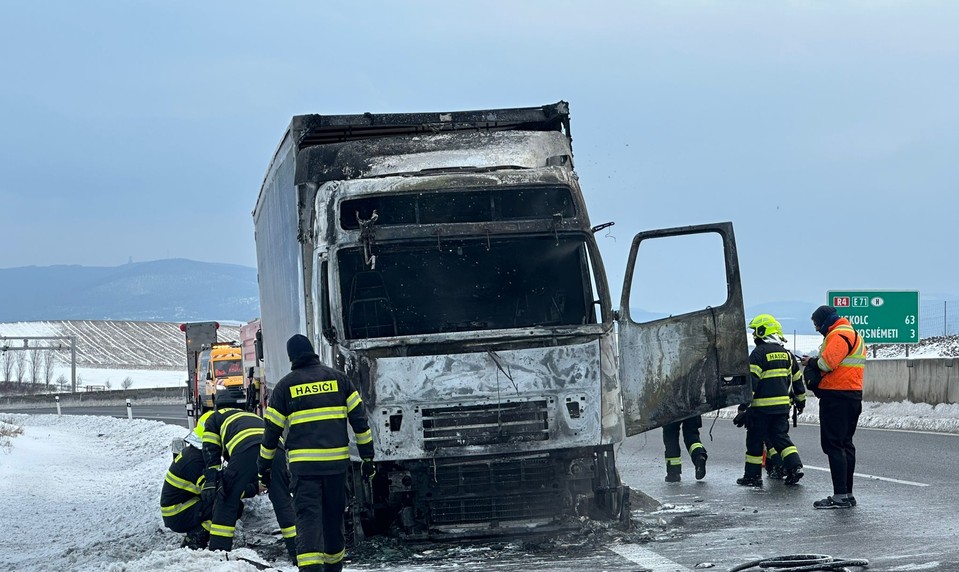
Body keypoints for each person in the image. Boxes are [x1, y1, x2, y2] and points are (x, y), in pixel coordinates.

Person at [259, 334, 375, 572]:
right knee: (334, 519)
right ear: (312, 352)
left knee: (309, 518)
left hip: (305, 469)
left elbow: (271, 434)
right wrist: (367, 458)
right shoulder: (339, 380)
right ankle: (334, 568)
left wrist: (264, 467)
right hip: (336, 467)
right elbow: (361, 422)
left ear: (291, 357)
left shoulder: (285, 387)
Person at [803, 305, 867, 509]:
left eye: (816, 324)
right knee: (845, 444)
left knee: (835, 446)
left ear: (825, 320)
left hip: (837, 397)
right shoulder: (852, 333)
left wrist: (810, 362)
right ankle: (847, 494)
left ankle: (840, 496)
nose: (816, 329)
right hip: (851, 395)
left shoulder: (838, 334)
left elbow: (826, 364)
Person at [735, 314, 805, 487]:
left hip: (760, 410)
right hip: (782, 409)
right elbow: (797, 381)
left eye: (755, 332)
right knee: (781, 439)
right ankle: (795, 467)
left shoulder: (758, 354)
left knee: (755, 441)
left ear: (763, 332)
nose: (753, 336)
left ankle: (752, 477)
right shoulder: (787, 355)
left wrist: (743, 407)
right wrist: (801, 402)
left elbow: (751, 382)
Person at [201, 388, 266, 552]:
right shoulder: (252, 416)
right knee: (283, 500)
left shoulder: (215, 417)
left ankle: (219, 551)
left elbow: (211, 451)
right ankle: (299, 552)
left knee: (227, 497)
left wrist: (212, 480)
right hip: (273, 450)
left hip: (244, 450)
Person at [160, 428, 212, 549]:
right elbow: (213, 491)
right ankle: (195, 539)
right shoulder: (195, 460)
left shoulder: (193, 453)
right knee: (222, 504)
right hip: (177, 513)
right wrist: (249, 488)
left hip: (181, 507)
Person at [661, 415, 707, 482]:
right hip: (693, 407)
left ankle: (673, 473)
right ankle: (699, 456)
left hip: (670, 410)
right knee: (692, 436)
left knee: (671, 438)